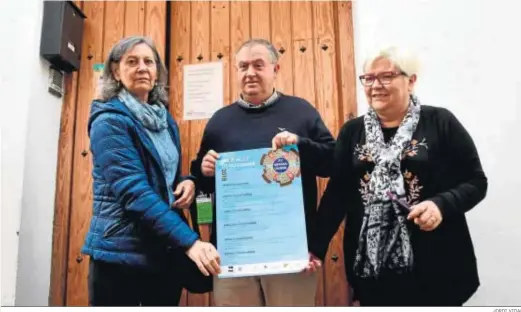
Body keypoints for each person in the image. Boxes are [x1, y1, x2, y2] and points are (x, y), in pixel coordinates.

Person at [309, 46, 488, 306]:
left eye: (387, 76)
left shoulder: (440, 122)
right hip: (375, 274)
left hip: (439, 265)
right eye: (368, 78)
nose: (375, 85)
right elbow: (338, 195)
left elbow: (476, 181)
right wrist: (314, 247)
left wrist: (440, 205)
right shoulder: (352, 132)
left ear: (411, 80)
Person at [189, 38, 335, 306]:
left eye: (259, 65)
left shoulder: (301, 111)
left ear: (275, 69)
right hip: (234, 255)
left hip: (290, 256)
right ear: (236, 71)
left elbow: (332, 164)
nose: (250, 72)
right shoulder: (219, 121)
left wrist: (300, 145)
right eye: (243, 66)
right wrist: (204, 172)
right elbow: (201, 189)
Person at [81, 36, 220, 306]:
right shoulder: (109, 121)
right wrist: (190, 242)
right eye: (131, 62)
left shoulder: (164, 120)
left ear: (157, 72)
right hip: (121, 255)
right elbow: (134, 192)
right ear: (115, 71)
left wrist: (187, 182)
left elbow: (165, 177)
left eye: (149, 61)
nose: (142, 67)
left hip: (162, 252)